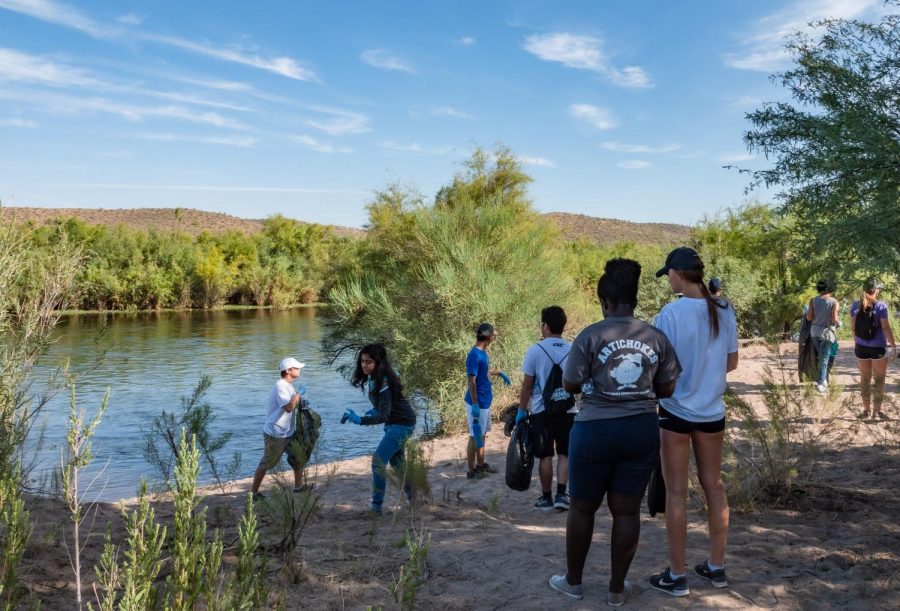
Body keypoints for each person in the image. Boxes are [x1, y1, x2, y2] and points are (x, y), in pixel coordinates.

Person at [548, 259, 681, 606]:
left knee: (582, 508)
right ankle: (616, 590)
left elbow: (570, 382)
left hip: (594, 430)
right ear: (634, 301)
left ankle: (573, 582)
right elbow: (667, 388)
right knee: (626, 512)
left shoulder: (591, 335)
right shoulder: (655, 337)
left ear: (605, 302)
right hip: (641, 429)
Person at [648, 247, 738, 597]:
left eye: (668, 273)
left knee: (676, 493)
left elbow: (659, 370)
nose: (667, 279)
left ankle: (677, 574)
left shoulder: (669, 315)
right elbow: (731, 363)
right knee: (714, 485)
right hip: (712, 411)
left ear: (680, 274)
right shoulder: (724, 309)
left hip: (675, 412)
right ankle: (716, 567)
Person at [341, 344, 417, 514]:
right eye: (362, 361)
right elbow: (385, 408)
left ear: (378, 362)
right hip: (395, 422)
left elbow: (383, 415)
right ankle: (415, 499)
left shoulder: (383, 380)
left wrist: (360, 420)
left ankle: (376, 508)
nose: (364, 365)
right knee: (397, 463)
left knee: (378, 462)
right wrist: (373, 410)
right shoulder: (374, 378)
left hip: (402, 423)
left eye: (368, 362)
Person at [516, 306, 575, 512]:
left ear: (545, 326)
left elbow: (527, 385)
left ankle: (546, 497)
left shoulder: (535, 350)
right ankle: (562, 495)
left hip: (542, 411)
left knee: (545, 456)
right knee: (565, 454)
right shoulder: (572, 349)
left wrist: (522, 410)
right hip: (568, 410)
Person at [251, 357, 309, 498]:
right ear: (288, 371)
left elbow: (293, 404)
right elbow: (288, 407)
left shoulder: (288, 385)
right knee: (267, 462)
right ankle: (253, 493)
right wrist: (299, 394)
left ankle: (298, 487)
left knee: (298, 456)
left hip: (288, 432)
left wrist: (302, 400)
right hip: (275, 433)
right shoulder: (280, 386)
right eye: (297, 367)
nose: (299, 369)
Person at [464, 323, 511, 479]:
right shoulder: (474, 354)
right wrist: (475, 404)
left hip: (485, 401)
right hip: (477, 403)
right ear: (488, 337)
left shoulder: (483, 353)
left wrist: (499, 373)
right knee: (474, 435)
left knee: (482, 434)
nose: (493, 338)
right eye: (493, 336)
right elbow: (472, 380)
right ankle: (471, 471)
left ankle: (481, 465)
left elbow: (482, 371)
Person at [850, 278, 897, 419]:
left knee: (864, 379)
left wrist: (857, 342)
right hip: (877, 348)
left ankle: (865, 411)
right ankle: (876, 412)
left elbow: (852, 328)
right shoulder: (881, 306)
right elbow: (886, 327)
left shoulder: (855, 305)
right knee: (879, 380)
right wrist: (893, 345)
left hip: (861, 347)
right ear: (876, 290)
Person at [806, 279, 839, 394]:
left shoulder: (813, 300)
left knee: (822, 357)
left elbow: (809, 318)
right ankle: (821, 383)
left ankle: (823, 380)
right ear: (829, 289)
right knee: (824, 358)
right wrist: (839, 323)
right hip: (827, 333)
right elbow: (835, 320)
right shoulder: (834, 301)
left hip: (814, 332)